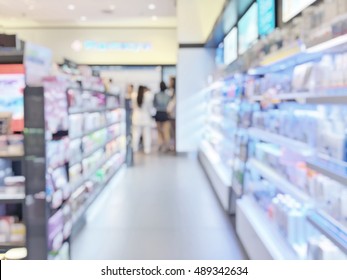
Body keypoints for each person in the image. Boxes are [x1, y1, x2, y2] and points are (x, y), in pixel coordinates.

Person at [132, 85, 153, 154]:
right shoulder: (148, 96)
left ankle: (134, 148)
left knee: (136, 134)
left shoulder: (134, 95)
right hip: (145, 117)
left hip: (136, 117)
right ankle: (147, 149)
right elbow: (150, 108)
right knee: (146, 134)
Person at [153, 81, 171, 152]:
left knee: (159, 131)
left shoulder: (156, 95)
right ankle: (167, 145)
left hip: (158, 113)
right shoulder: (168, 96)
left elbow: (154, 104)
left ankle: (160, 144)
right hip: (165, 113)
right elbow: (169, 104)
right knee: (166, 131)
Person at [167, 76, 176, 152]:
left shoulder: (175, 92)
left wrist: (169, 110)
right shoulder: (171, 91)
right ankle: (173, 146)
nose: (169, 83)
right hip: (172, 115)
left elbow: (172, 103)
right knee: (172, 131)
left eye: (170, 81)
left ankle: (174, 146)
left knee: (173, 131)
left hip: (174, 115)